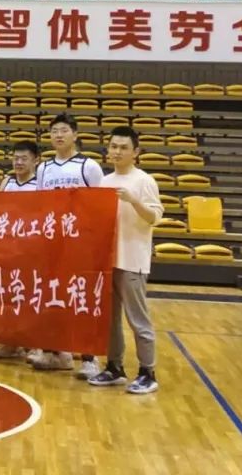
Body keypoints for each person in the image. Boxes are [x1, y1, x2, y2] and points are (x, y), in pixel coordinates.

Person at [89, 127, 162, 395]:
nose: (117, 152)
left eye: (123, 147)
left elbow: (154, 218)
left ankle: (147, 372)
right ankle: (114, 367)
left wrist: (133, 201)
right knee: (110, 320)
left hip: (133, 260)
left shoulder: (144, 181)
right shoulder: (105, 181)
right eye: (113, 146)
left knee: (138, 319)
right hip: (109, 261)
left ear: (136, 152)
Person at [32, 113, 106, 376]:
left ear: (75, 134)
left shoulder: (89, 167)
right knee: (53, 298)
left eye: (64, 130)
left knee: (82, 299)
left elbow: (101, 205)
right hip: (53, 243)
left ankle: (89, 358)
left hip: (81, 243)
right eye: (54, 131)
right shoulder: (44, 168)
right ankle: (57, 353)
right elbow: (41, 205)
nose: (59, 135)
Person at [0, 140, 39, 360]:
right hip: (9, 247)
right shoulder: (7, 182)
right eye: (15, 158)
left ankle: (35, 343)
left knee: (32, 297)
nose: (18, 162)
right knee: (10, 295)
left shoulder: (40, 184)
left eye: (24, 159)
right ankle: (12, 342)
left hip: (32, 248)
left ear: (35, 160)